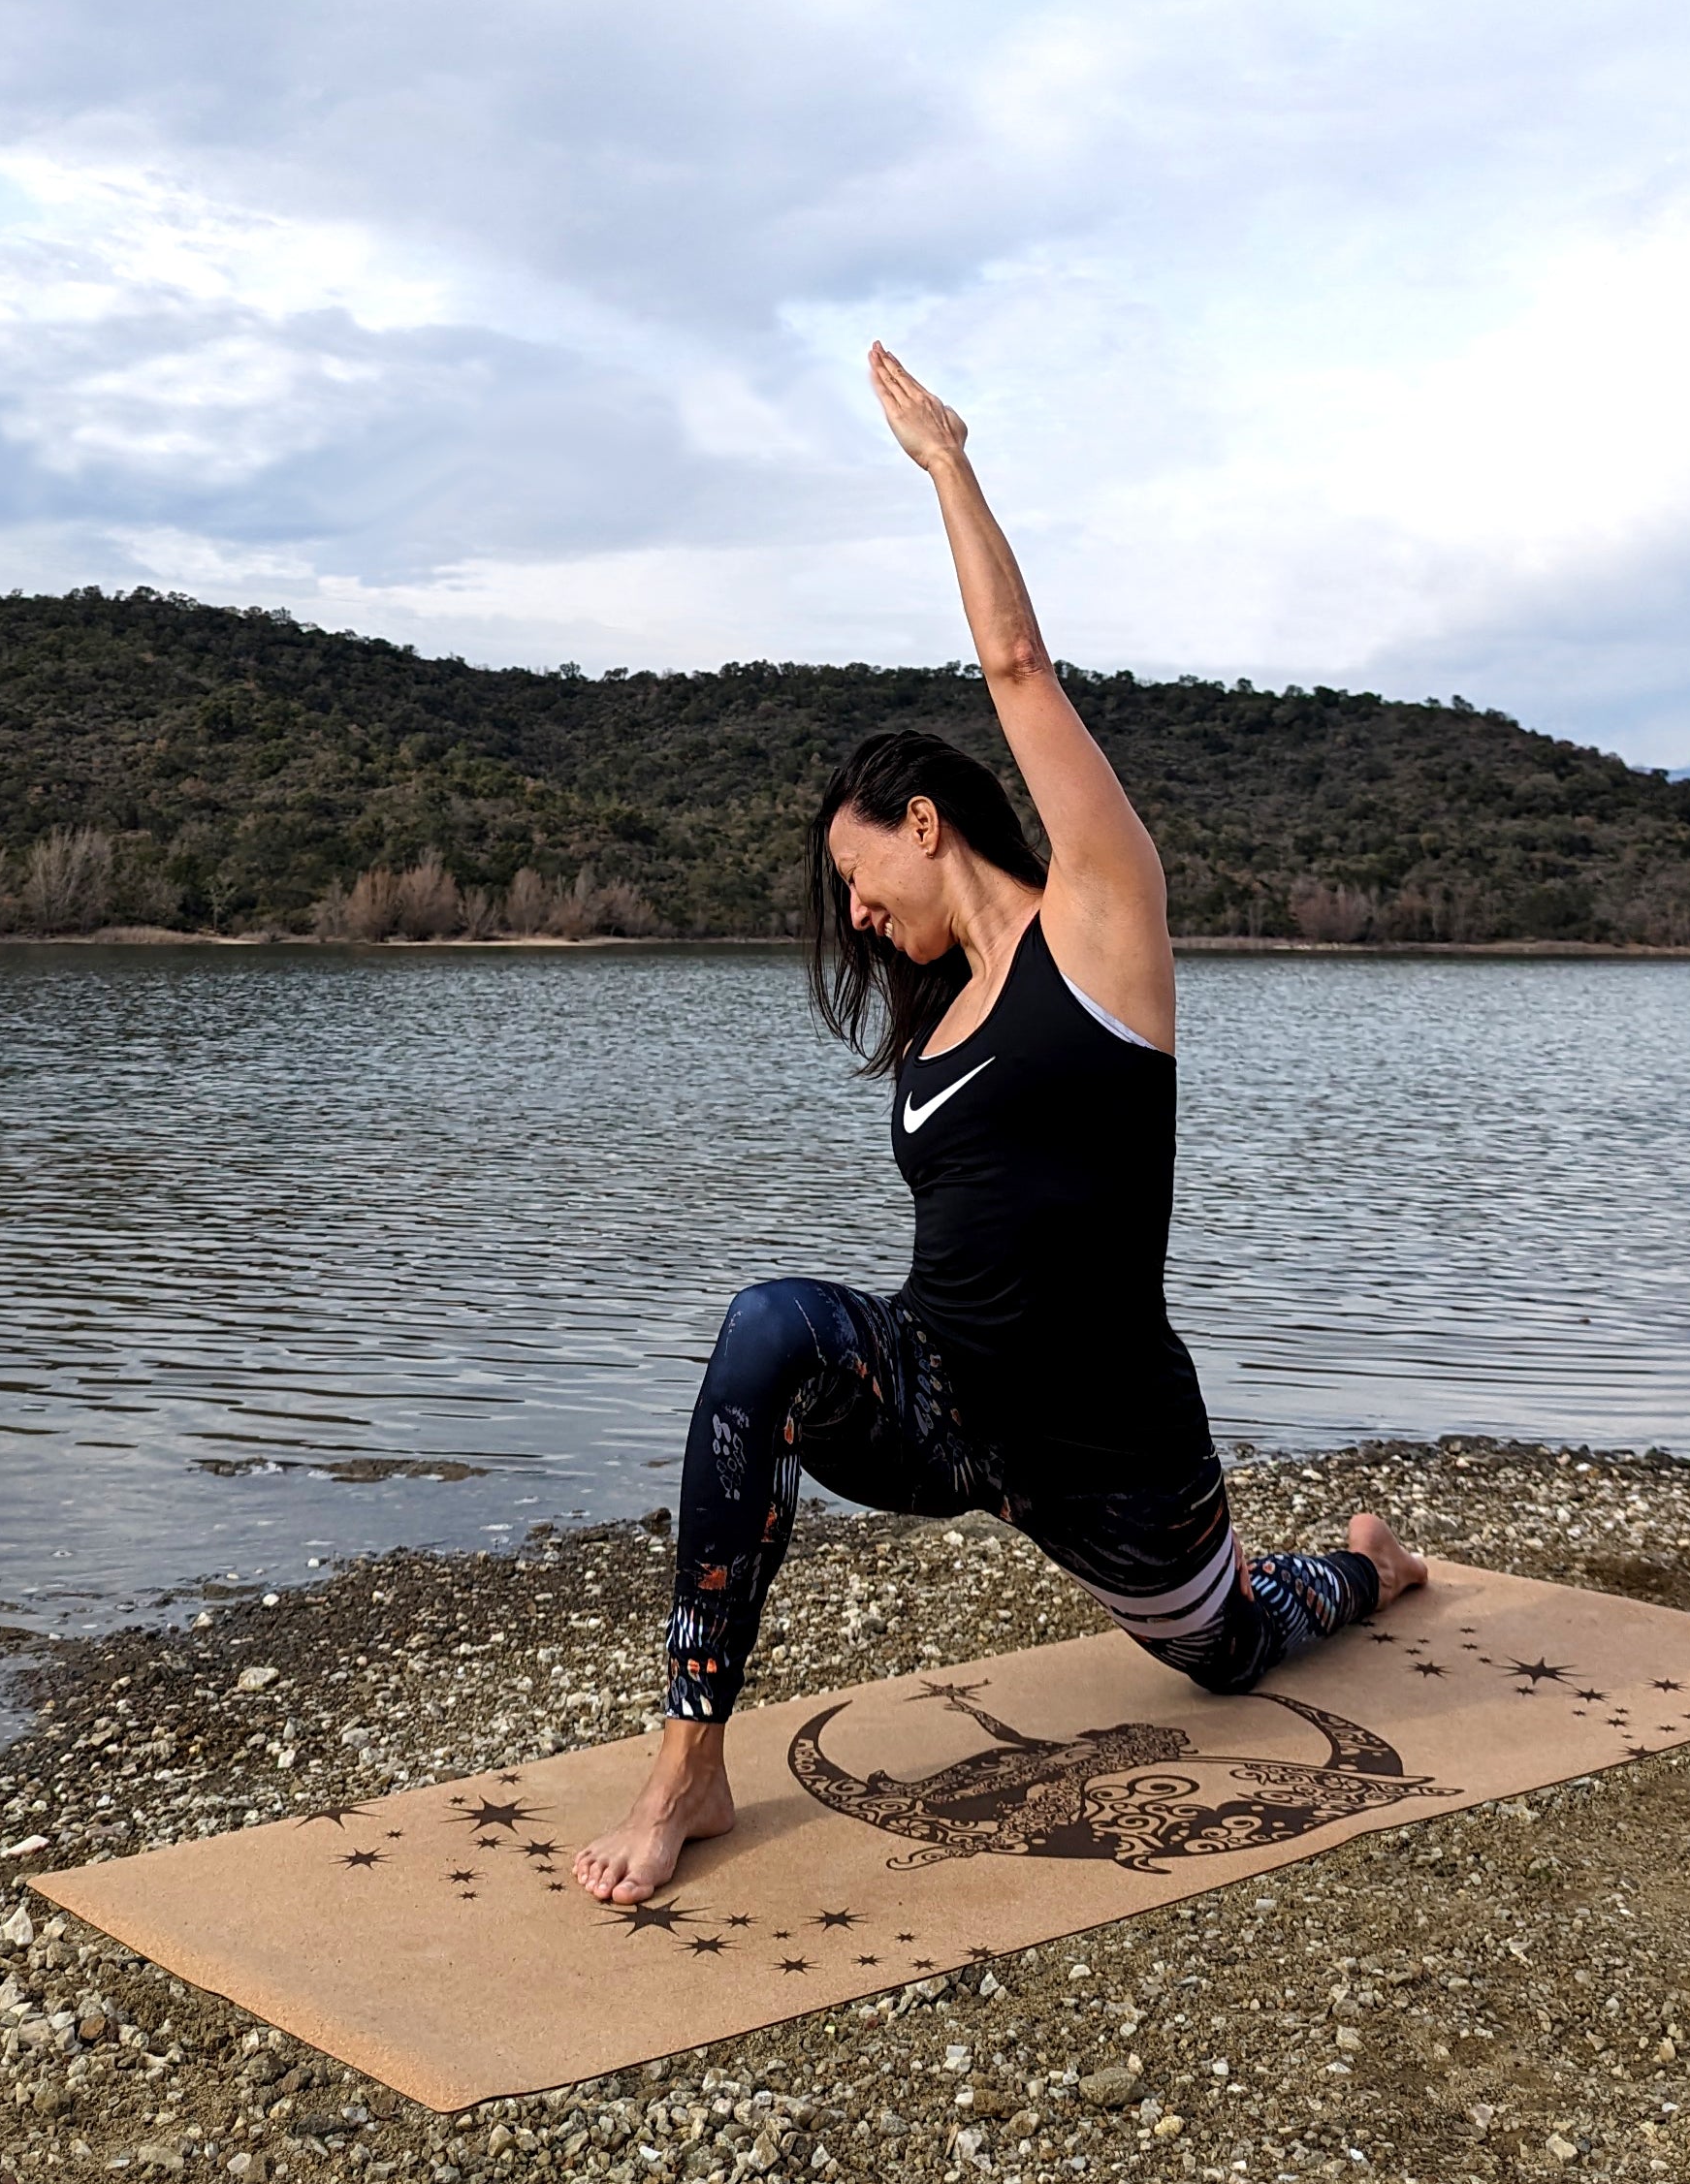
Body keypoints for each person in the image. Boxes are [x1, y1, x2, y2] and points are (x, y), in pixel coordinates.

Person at [571, 343, 1427, 1906]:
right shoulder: (932, 1021)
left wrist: (946, 464)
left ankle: (1364, 1565)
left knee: (1228, 1648)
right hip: (952, 1406)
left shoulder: (1100, 929)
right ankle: (689, 1766)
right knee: (766, 1334)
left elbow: (1021, 670)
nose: (854, 913)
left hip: (1109, 1444)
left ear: (925, 822)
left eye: (858, 877)